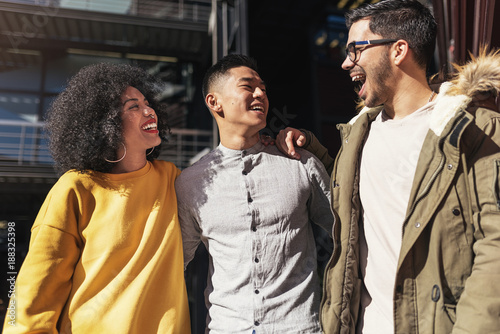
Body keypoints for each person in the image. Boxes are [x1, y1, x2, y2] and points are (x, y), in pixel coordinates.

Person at [275, 0, 500, 333]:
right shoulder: (358, 135)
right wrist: (312, 148)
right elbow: (355, 198)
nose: (345, 63)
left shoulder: (477, 130)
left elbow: (495, 247)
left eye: (355, 49)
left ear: (398, 50)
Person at [2, 63, 191, 333]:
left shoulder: (173, 180)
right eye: (133, 106)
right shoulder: (76, 188)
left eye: (148, 103)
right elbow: (34, 293)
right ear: (106, 123)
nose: (149, 111)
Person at [175, 54, 334, 333]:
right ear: (214, 102)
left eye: (263, 87)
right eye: (248, 86)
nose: (261, 93)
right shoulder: (191, 183)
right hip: (228, 327)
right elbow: (174, 264)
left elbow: (348, 229)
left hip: (299, 327)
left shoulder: (301, 163)